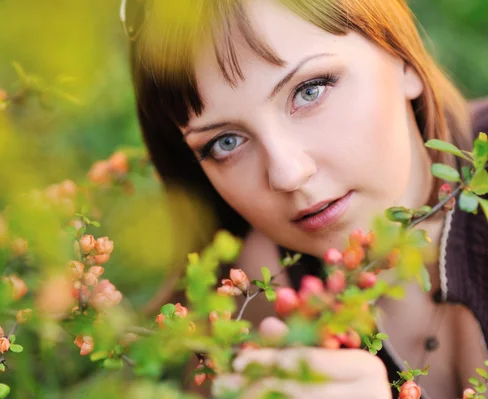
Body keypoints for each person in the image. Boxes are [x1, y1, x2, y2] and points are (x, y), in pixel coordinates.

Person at [122, 0, 488, 397]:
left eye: (310, 90)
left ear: (402, 59)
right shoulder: (262, 295)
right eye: (225, 142)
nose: (287, 173)